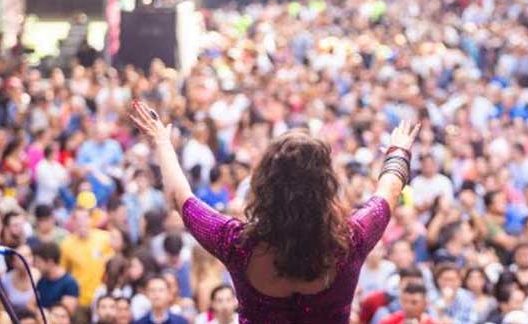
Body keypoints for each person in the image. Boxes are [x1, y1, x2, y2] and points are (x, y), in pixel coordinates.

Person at [130, 100, 420, 323]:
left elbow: (181, 198)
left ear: (264, 184)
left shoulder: (237, 243)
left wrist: (161, 141)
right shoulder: (351, 239)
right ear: (326, 185)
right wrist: (399, 150)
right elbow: (389, 192)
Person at [33, 242, 79, 315]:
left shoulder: (69, 283)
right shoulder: (42, 280)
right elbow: (31, 305)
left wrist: (42, 312)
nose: (36, 265)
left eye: (39, 262)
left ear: (50, 262)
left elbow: (67, 312)